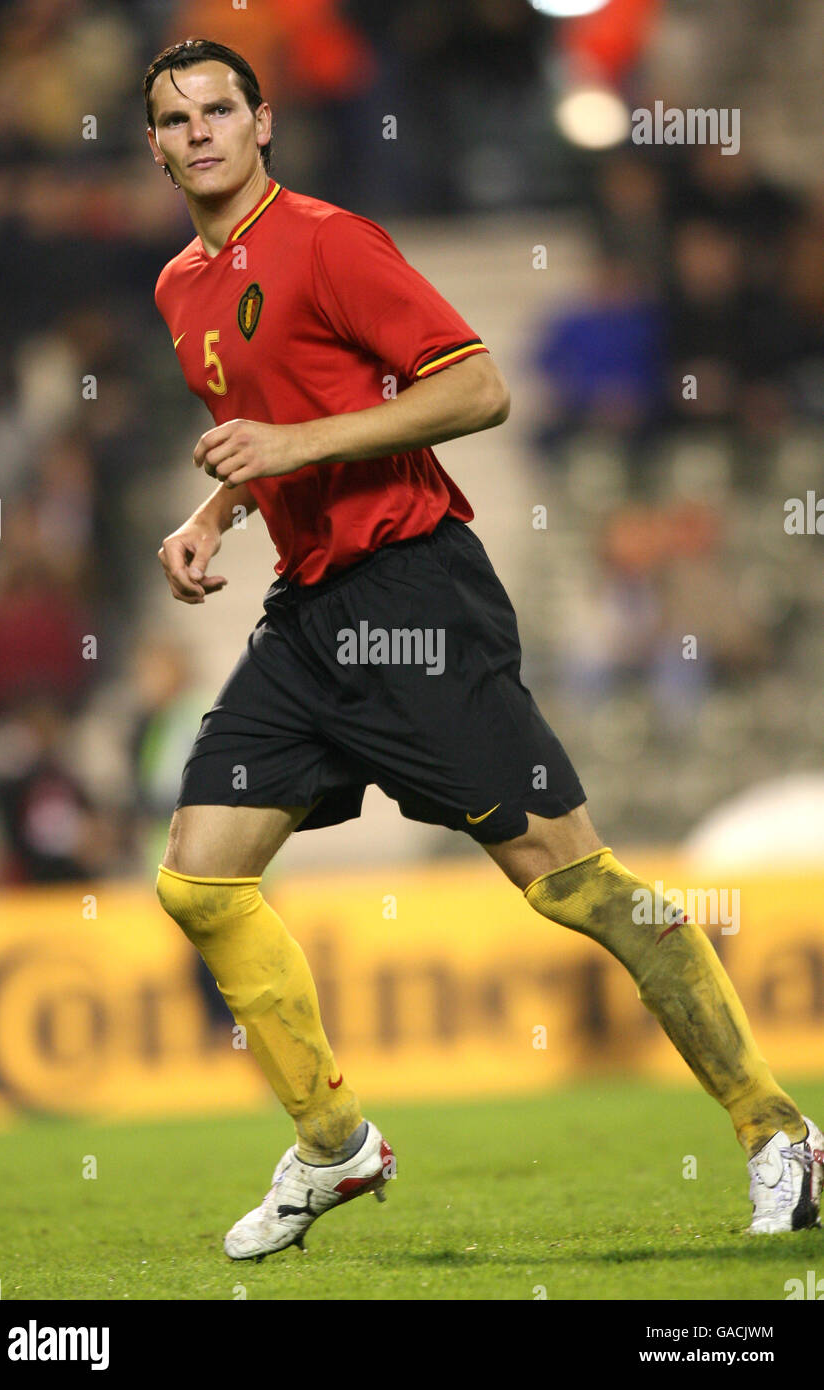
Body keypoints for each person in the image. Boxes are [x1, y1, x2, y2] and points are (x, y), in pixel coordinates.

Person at [146, 38, 822, 1261]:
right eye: (171, 117)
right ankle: (335, 1143)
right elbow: (268, 433)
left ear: (262, 123)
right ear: (152, 143)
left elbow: (476, 389)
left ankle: (777, 1129)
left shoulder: (330, 241)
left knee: (572, 884)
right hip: (309, 619)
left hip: (415, 593)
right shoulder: (178, 288)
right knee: (196, 879)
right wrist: (209, 514)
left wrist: (290, 454)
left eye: (215, 109)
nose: (194, 131)